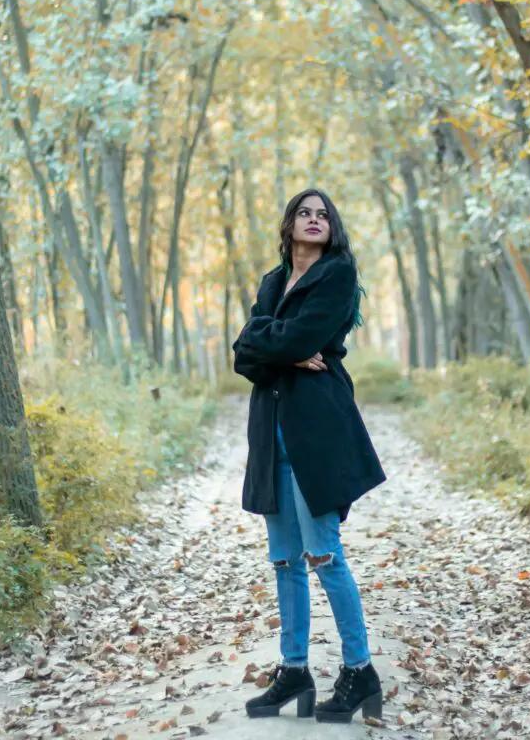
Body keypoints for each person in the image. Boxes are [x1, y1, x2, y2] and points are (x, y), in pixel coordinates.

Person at [233, 189, 387, 725]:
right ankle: (294, 670)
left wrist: (272, 342)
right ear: (290, 223)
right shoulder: (274, 282)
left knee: (324, 554)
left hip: (317, 429)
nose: (315, 220)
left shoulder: (337, 275)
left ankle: (359, 671)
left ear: (332, 227)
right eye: (306, 212)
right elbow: (243, 355)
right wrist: (285, 350)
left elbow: (295, 335)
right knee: (284, 560)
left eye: (323, 215)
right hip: (270, 430)